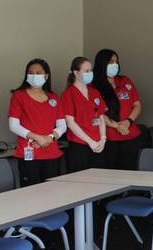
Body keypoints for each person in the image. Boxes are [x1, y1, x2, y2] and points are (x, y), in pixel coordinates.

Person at [8, 58, 66, 186]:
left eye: (38, 72)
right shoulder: (18, 95)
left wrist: (49, 138)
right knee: (30, 195)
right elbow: (13, 125)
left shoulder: (54, 97)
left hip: (51, 154)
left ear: (46, 75)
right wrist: (37, 137)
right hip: (29, 154)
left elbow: (62, 126)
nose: (34, 75)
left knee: (52, 194)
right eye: (31, 72)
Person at [93, 49, 142, 171]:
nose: (114, 64)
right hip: (109, 138)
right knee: (110, 175)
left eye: (116, 61)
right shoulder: (94, 85)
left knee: (131, 173)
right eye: (110, 62)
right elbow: (97, 112)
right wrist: (116, 126)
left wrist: (128, 122)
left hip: (130, 135)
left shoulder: (125, 81)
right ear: (102, 63)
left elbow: (137, 105)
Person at [61, 56, 106, 173]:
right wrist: (90, 142)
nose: (90, 73)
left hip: (98, 145)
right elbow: (70, 123)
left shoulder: (94, 92)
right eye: (86, 71)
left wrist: (103, 138)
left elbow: (100, 117)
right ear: (76, 73)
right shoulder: (68, 94)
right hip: (79, 145)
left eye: (91, 70)